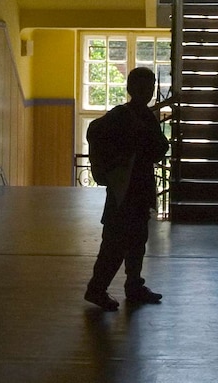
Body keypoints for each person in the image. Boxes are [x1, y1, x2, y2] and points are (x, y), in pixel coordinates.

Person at [84, 67, 170, 311]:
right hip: (124, 189)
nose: (149, 91)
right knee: (114, 243)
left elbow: (159, 148)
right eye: (144, 86)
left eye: (151, 86)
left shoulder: (144, 116)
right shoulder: (122, 116)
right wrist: (118, 161)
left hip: (138, 187)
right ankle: (96, 289)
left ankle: (133, 285)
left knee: (136, 241)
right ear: (132, 89)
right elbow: (96, 131)